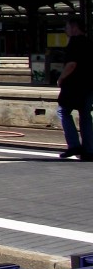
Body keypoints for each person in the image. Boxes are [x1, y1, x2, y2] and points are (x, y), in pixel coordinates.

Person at [56, 14, 93, 160]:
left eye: (67, 27)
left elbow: (71, 64)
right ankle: (89, 150)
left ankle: (74, 146)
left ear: (74, 27)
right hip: (89, 86)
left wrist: (61, 78)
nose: (66, 30)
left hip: (74, 86)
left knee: (63, 112)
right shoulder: (90, 43)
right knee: (85, 116)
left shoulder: (74, 43)